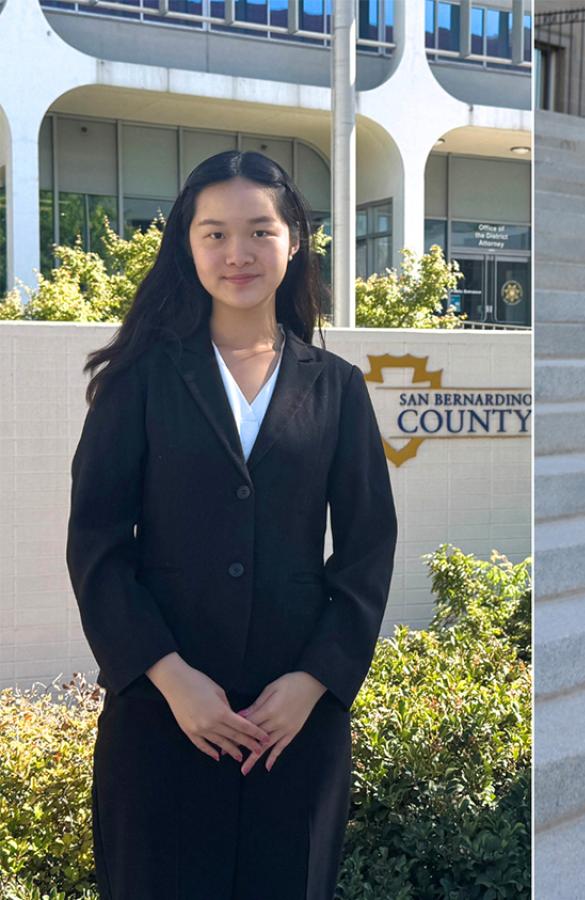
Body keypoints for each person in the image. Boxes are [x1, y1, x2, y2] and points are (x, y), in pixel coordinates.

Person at [66, 150, 398, 899]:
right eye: (214, 233)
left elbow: (368, 548)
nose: (237, 253)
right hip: (160, 718)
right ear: (187, 244)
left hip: (292, 730)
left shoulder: (337, 388)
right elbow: (97, 547)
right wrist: (172, 679)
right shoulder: (139, 380)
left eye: (258, 231)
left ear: (294, 241)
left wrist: (313, 683)